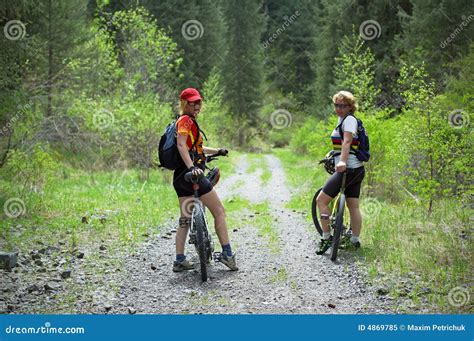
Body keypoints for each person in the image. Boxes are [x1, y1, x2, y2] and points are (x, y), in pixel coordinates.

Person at [172, 87, 238, 272]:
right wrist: (192, 168)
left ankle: (179, 259)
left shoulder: (185, 122)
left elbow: (197, 148)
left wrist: (217, 151)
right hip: (193, 175)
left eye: (198, 102)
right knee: (219, 211)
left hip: (180, 178)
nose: (196, 106)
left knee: (185, 218)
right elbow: (181, 145)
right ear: (184, 103)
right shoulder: (185, 121)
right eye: (192, 102)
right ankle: (227, 254)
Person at [316, 91, 366, 255]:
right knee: (353, 206)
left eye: (342, 105)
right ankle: (354, 240)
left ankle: (326, 237)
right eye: (336, 105)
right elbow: (341, 144)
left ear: (350, 106)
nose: (338, 108)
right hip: (357, 170)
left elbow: (347, 142)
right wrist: (334, 155)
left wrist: (343, 161)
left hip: (348, 169)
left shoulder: (349, 120)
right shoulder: (343, 120)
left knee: (321, 201)